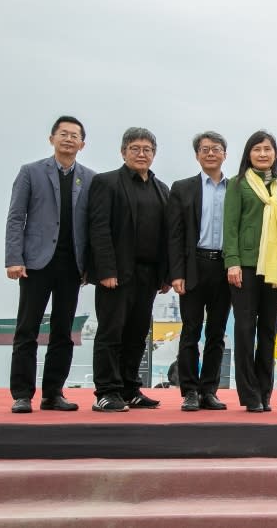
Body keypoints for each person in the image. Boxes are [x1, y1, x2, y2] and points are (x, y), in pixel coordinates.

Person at [5, 116, 95, 414]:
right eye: (63, 134)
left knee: (63, 331)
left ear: (82, 144)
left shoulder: (90, 178)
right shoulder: (31, 172)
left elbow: (92, 225)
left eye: (75, 136)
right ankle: (21, 394)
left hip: (72, 265)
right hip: (36, 264)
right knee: (27, 329)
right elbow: (16, 217)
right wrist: (14, 259)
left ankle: (53, 393)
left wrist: (89, 266)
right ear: (52, 138)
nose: (69, 139)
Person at [88, 127, 170, 412]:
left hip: (148, 275)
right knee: (111, 333)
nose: (141, 153)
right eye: (135, 148)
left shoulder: (162, 189)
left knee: (137, 334)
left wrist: (165, 276)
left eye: (147, 149)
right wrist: (105, 270)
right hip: (116, 274)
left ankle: (130, 389)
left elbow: (165, 236)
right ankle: (107, 392)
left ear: (154, 154)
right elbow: (98, 229)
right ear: (123, 152)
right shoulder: (107, 183)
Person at [224, 131, 277, 413]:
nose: (263, 154)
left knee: (268, 330)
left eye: (268, 149)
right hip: (246, 266)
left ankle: (265, 392)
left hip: (276, 267)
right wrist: (232, 261)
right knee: (244, 329)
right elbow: (230, 226)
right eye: (257, 149)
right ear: (248, 154)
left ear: (275, 154)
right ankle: (249, 393)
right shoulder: (237, 184)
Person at [167, 131, 232, 412]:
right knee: (190, 330)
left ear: (224, 155)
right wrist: (176, 273)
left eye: (216, 149)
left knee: (217, 332)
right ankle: (189, 391)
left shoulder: (236, 188)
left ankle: (210, 390)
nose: (210, 153)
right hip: (194, 265)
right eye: (204, 149)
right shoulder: (182, 188)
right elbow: (175, 235)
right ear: (197, 155)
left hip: (225, 266)